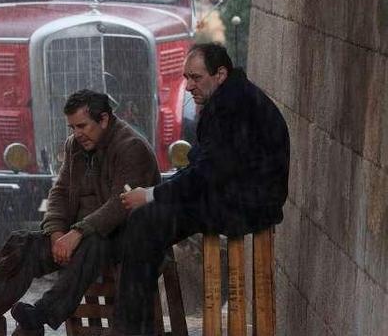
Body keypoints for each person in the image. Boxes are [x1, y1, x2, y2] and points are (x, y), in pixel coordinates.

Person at [0, 90, 160, 336]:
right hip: (79, 236)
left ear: (103, 119)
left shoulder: (130, 147)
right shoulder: (75, 145)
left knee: (94, 243)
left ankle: (39, 315)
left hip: (125, 240)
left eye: (82, 126)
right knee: (23, 243)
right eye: (72, 127)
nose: (77, 134)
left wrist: (78, 232)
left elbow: (119, 205)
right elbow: (60, 191)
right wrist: (56, 232)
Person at [114, 43, 289, 336]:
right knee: (147, 223)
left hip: (246, 205)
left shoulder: (229, 106)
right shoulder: (231, 96)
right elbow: (202, 165)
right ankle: (139, 325)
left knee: (145, 222)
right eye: (186, 78)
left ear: (220, 74)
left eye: (196, 78)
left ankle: (132, 330)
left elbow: (207, 174)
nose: (189, 86)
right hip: (239, 196)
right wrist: (159, 190)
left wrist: (150, 195)